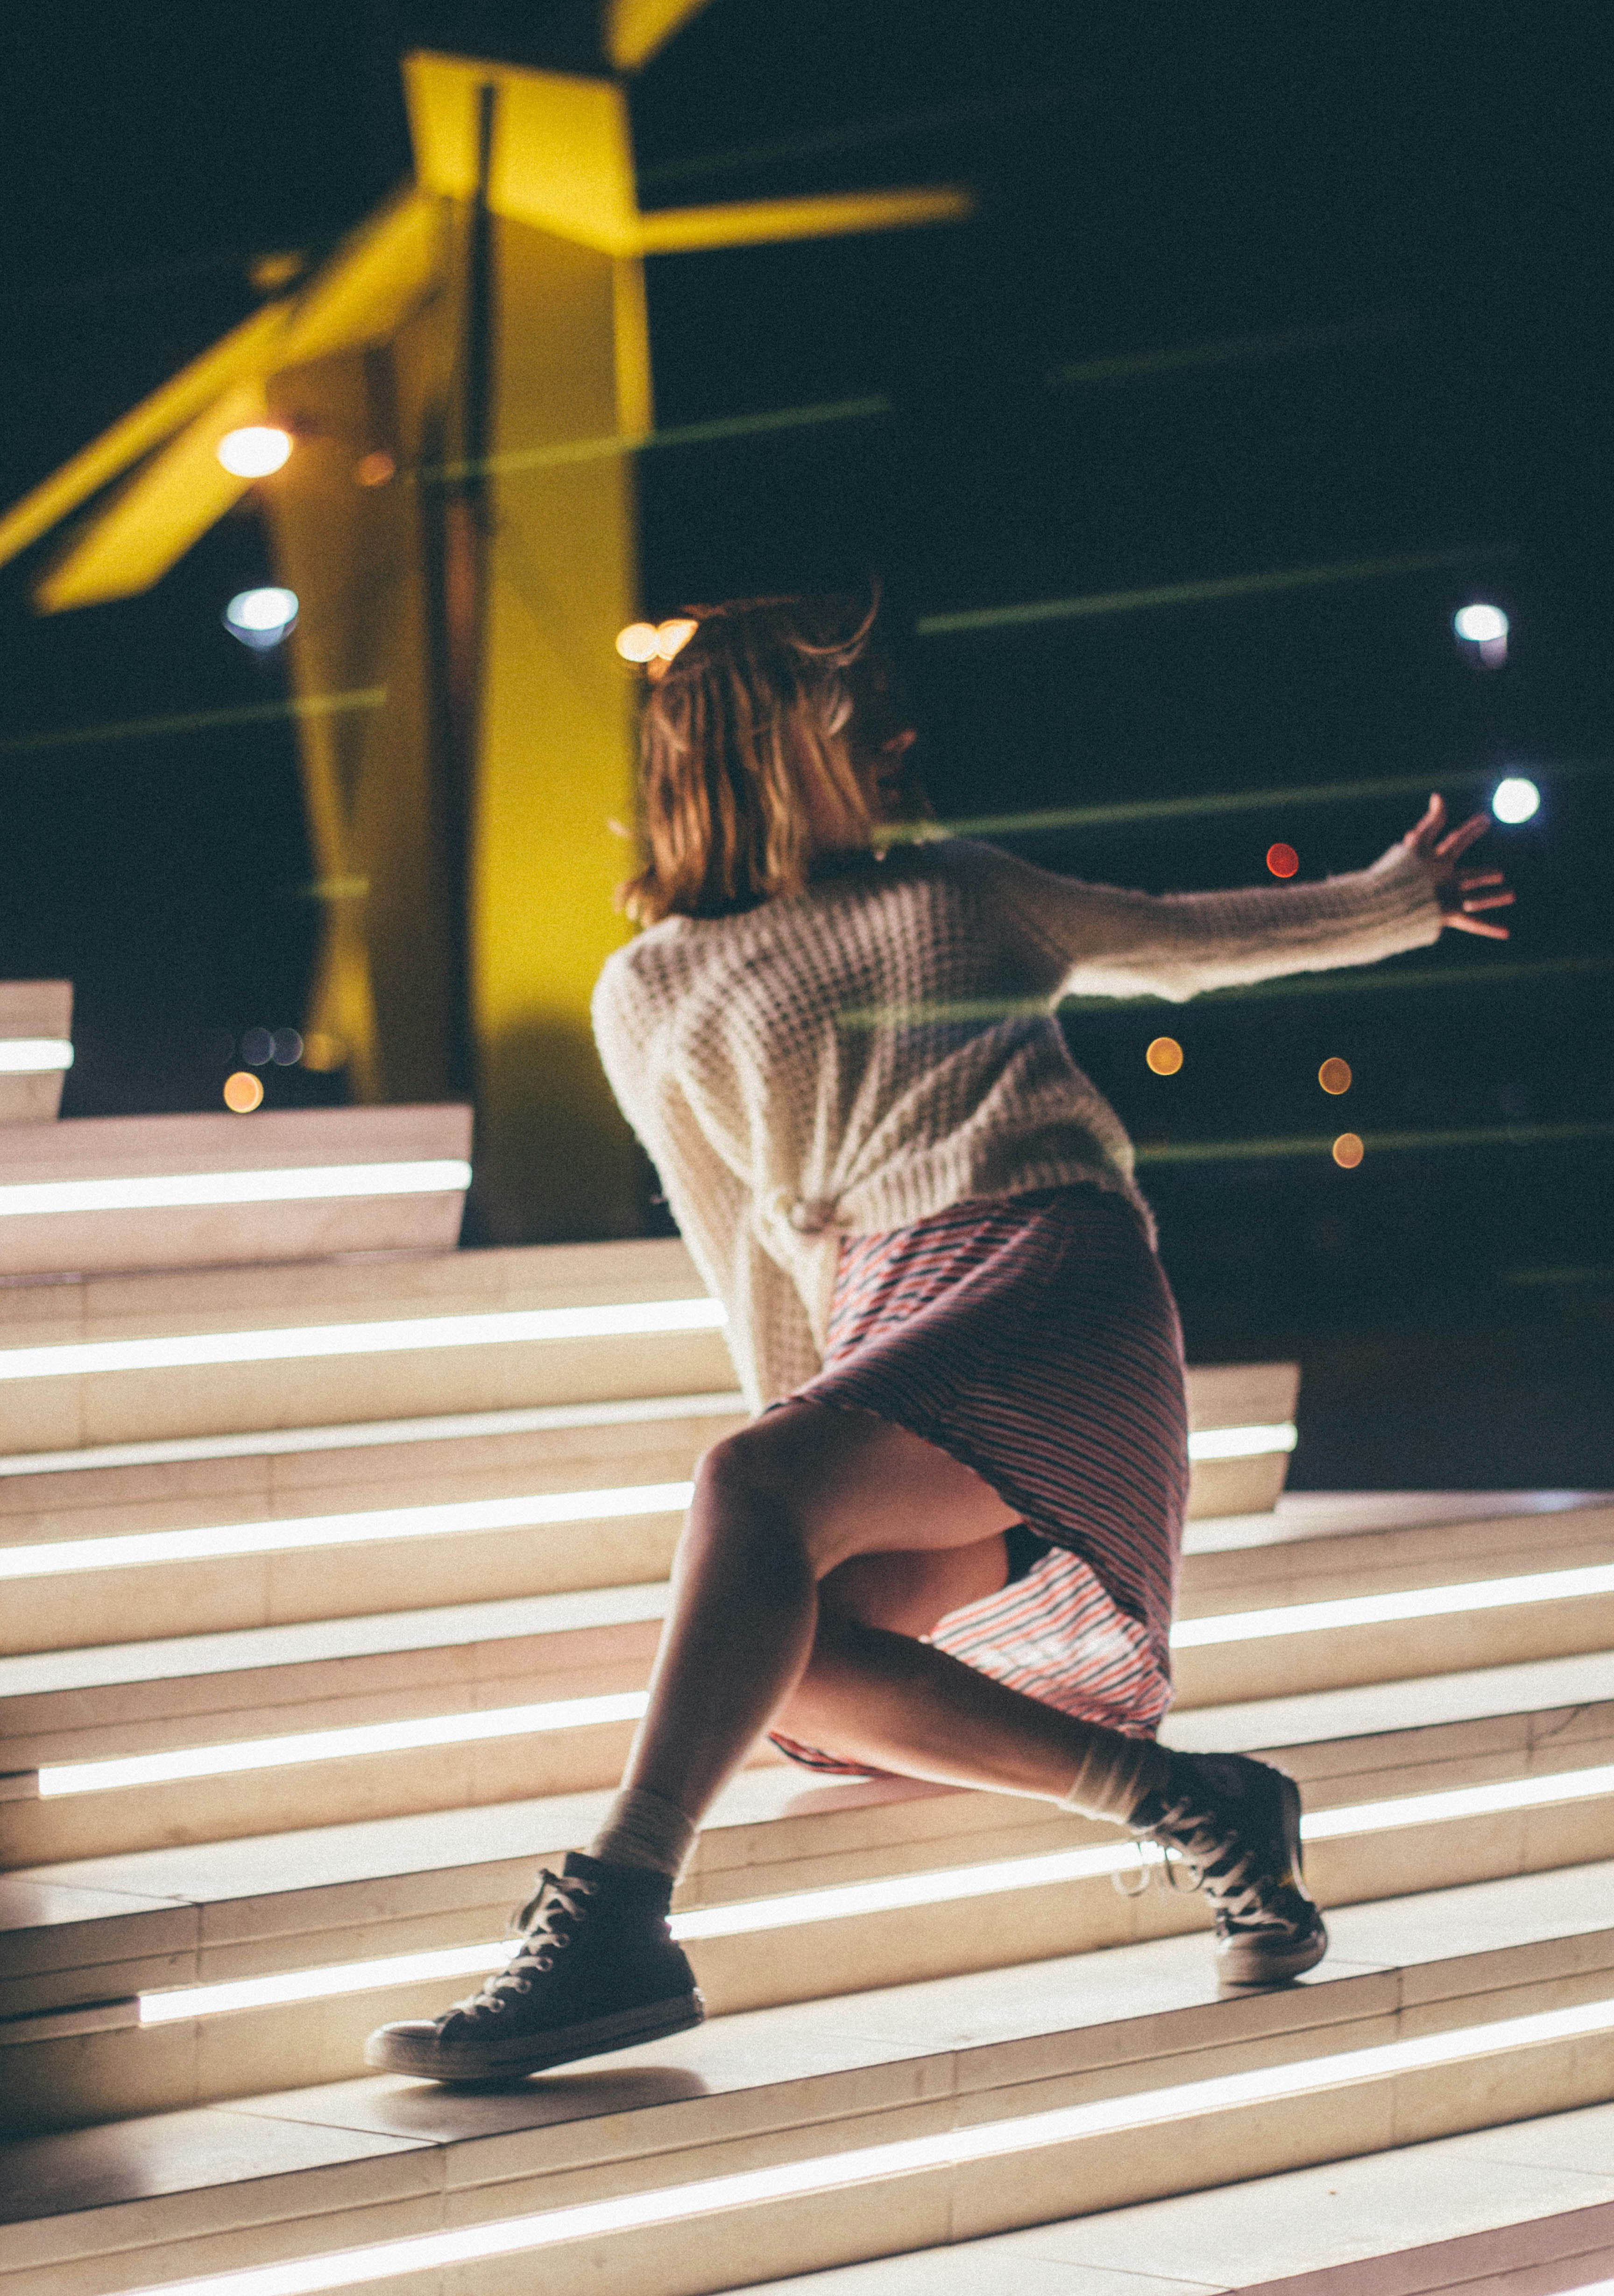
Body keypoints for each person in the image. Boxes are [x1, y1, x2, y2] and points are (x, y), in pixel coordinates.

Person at [367, 593, 1512, 2083]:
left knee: (746, 1498)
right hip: (883, 1308)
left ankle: (619, 1911)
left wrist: (1394, 899)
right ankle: (1201, 1804)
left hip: (1050, 1262)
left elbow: (1176, 946)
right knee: (786, 1650)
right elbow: (745, 1248)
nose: (890, 746)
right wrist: (796, 1467)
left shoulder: (951, 895)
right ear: (766, 747)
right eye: (853, 725)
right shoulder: (646, 991)